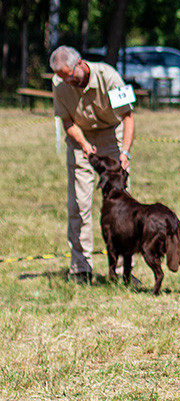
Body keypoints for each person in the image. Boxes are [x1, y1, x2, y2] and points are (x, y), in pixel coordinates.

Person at [50, 45, 136, 284]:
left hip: (112, 135)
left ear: (80, 63)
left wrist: (125, 152)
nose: (67, 82)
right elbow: (67, 121)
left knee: (122, 207)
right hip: (81, 138)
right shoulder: (59, 84)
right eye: (62, 78)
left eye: (70, 76)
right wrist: (84, 144)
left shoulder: (109, 77)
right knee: (78, 204)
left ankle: (123, 271)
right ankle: (80, 268)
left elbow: (128, 117)